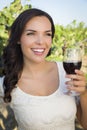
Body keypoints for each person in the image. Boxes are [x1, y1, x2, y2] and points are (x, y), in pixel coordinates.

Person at [0, 8, 87, 130]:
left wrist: (83, 93)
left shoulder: (65, 72)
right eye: (31, 33)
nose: (41, 42)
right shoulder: (7, 83)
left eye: (47, 34)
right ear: (18, 39)